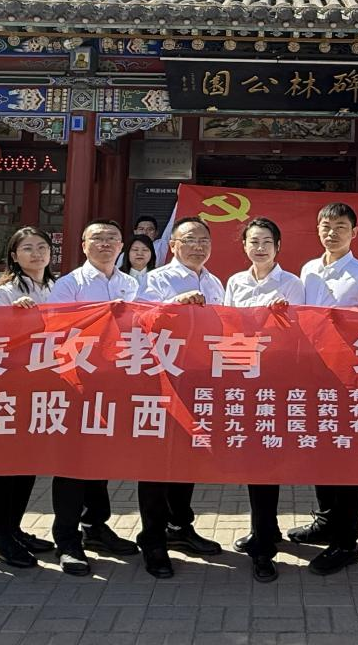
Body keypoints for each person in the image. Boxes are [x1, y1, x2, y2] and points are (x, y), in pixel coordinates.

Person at [288, 202, 358, 576]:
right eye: (326, 226)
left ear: (354, 232)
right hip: (315, 378)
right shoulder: (308, 271)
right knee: (322, 451)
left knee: (348, 457)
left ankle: (346, 543)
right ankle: (326, 521)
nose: (332, 232)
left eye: (341, 226)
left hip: (351, 381)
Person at [45, 219, 142, 576]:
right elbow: (55, 329)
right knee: (73, 463)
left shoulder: (131, 284)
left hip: (116, 384)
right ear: (84, 245)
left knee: (101, 461)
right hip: (77, 384)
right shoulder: (69, 284)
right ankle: (66, 538)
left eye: (113, 238)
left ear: (121, 246)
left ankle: (96, 527)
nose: (106, 244)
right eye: (98, 238)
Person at [135, 216, 226, 578]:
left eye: (204, 240)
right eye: (189, 240)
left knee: (188, 456)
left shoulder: (216, 282)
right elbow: (138, 321)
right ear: (172, 245)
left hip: (200, 380)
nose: (197, 246)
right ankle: (153, 538)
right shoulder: (155, 279)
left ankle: (180, 526)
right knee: (156, 462)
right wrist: (174, 304)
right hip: (162, 382)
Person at [223, 217, 306, 582]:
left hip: (277, 382)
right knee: (252, 460)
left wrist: (284, 319)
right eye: (253, 241)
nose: (260, 248)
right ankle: (266, 528)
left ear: (278, 247)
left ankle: (263, 548)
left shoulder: (292, 284)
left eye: (267, 242)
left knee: (267, 461)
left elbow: (302, 333)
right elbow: (226, 328)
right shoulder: (234, 282)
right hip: (244, 382)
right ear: (244, 246)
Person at [0, 227, 59, 569]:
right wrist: (16, 317)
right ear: (13, 255)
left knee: (28, 464)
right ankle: (1, 536)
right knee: (6, 465)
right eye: (27, 248)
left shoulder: (58, 288)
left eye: (42, 247)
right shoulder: (5, 293)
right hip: (12, 389)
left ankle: (15, 528)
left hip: (47, 386)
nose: (36, 253)